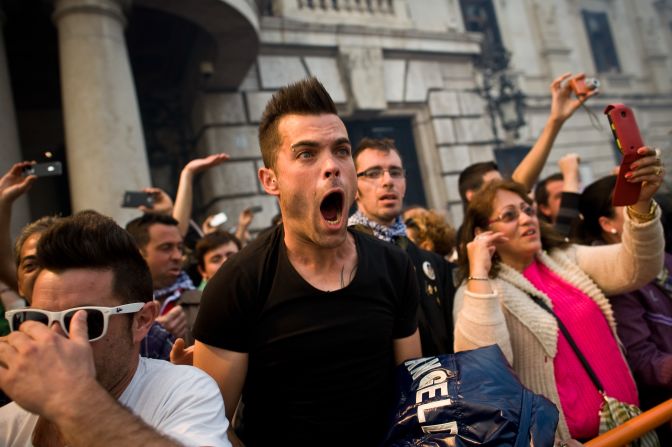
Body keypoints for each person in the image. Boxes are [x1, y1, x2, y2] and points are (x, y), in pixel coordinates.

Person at [192, 77, 421, 446]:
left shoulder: (395, 268)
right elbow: (209, 428)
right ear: (270, 179)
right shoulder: (238, 283)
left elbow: (411, 395)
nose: (331, 166)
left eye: (341, 150)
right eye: (307, 154)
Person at [453, 146, 665, 444]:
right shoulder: (478, 289)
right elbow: (484, 371)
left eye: (528, 209)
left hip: (634, 426)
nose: (527, 219)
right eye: (510, 215)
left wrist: (640, 207)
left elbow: (637, 267)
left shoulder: (565, 258)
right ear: (482, 232)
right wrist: (479, 271)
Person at [0, 210, 231, 446]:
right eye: (39, 320)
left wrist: (72, 399)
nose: (53, 339)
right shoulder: (10, 420)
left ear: (142, 321)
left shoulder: (183, 391)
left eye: (86, 321)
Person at [578, 174, 672, 444]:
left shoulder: (662, 257)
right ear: (608, 225)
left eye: (646, 200)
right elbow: (644, 360)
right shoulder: (612, 283)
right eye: (632, 205)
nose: (646, 209)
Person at [348, 137, 456, 356]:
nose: (388, 181)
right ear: (354, 187)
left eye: (396, 172)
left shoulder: (432, 262)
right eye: (373, 173)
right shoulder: (345, 254)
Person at [457, 73, 597, 211]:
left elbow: (519, 183)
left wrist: (556, 119)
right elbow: (565, 223)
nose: (505, 190)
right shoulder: (474, 233)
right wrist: (571, 174)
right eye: (494, 186)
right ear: (472, 196)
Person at [126, 213, 193, 341]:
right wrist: (152, 334)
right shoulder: (116, 306)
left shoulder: (202, 301)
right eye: (166, 248)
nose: (178, 256)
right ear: (137, 254)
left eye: (180, 248)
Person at [535, 154, 582, 238]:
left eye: (575, 190)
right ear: (545, 209)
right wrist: (570, 173)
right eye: (560, 196)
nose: (572, 198)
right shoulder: (551, 239)